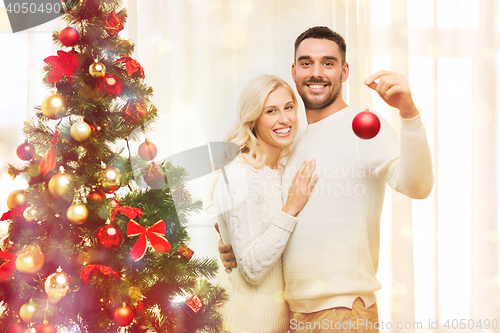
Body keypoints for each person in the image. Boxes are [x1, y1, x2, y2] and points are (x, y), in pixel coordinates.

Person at [217, 26, 434, 333]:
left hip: (344, 313)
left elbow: (418, 186)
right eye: (306, 63)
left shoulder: (363, 126)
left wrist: (408, 113)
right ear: (294, 71)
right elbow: (277, 219)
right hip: (292, 316)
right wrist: (235, 245)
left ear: (344, 71)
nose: (316, 72)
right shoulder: (290, 144)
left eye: (328, 63)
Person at [212, 74, 318, 333]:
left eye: (289, 107)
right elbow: (251, 269)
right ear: (253, 119)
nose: (284, 119)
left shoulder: (280, 170)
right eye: (271, 111)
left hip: (280, 323)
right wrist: (290, 208)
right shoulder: (239, 173)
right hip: (244, 325)